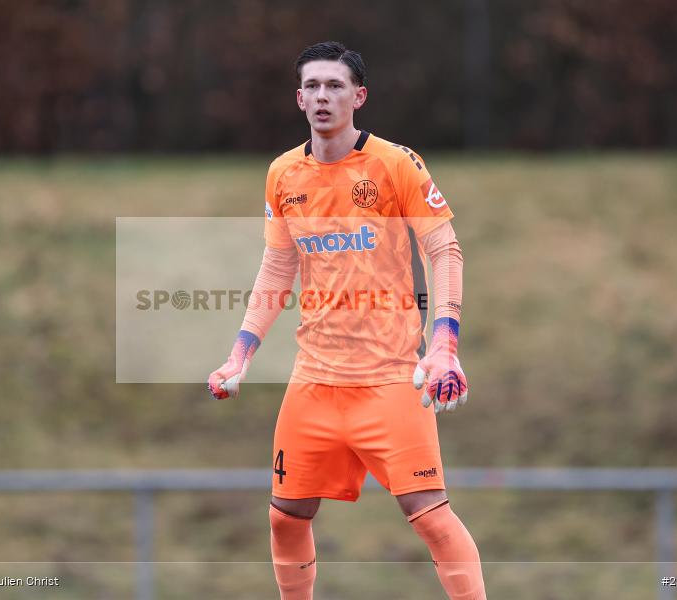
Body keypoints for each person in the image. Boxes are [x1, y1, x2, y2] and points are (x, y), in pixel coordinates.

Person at [208, 41, 486, 600]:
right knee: (285, 518)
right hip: (314, 381)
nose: (322, 97)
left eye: (334, 86)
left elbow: (444, 250)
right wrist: (240, 352)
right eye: (311, 86)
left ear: (359, 96)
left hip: (389, 380)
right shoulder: (283, 174)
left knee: (431, 517)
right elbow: (277, 267)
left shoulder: (394, 164)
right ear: (298, 98)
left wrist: (444, 345)